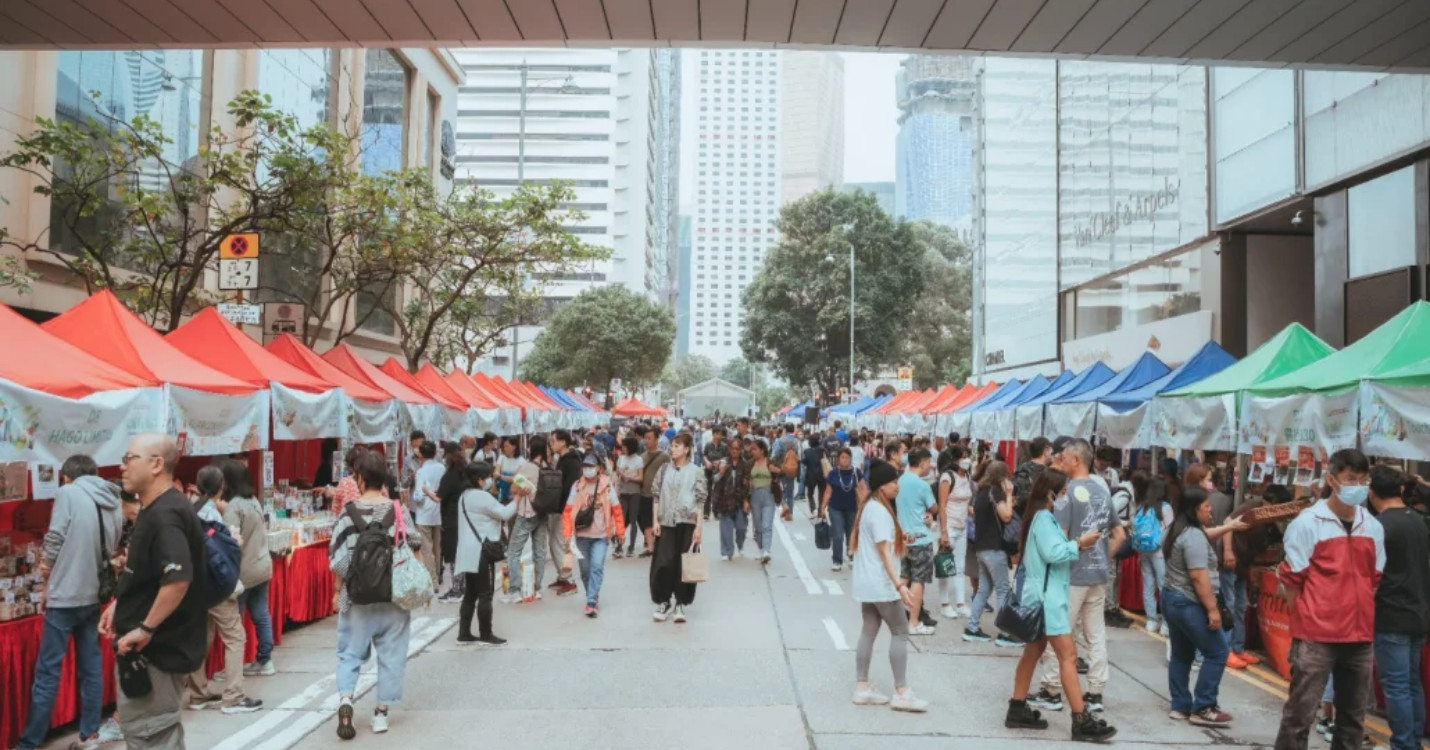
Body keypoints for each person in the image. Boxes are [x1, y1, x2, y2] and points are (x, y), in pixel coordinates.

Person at [99, 433, 209, 749]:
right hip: (150, 652)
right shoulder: (156, 508)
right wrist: (120, 603)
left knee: (152, 736)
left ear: (157, 464)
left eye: (129, 458)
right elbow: (151, 574)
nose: (122, 466)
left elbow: (177, 578)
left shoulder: (165, 514)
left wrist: (146, 628)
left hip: (157, 654)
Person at [1273, 449, 1384, 750]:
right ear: (1332, 480)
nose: (1358, 485)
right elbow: (1292, 581)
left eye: (1363, 480)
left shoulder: (1372, 527)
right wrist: (1307, 618)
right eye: (1351, 479)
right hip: (1315, 636)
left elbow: (1374, 579)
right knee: (1300, 716)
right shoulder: (1308, 523)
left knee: (1353, 719)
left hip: (1359, 637)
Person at [1004, 468, 1117, 742]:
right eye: (1063, 491)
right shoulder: (1044, 518)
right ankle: (1081, 720)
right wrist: (1079, 543)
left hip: (1041, 597)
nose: (1065, 496)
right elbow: (1054, 553)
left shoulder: (1041, 517)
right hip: (1048, 600)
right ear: (1052, 492)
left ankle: (1017, 708)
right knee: (1067, 656)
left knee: (1032, 653)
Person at [19, 455, 123, 750]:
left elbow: (54, 538)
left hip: (65, 595)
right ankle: (89, 734)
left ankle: (30, 742)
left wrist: (45, 574)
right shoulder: (112, 498)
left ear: (66, 477)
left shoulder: (68, 493)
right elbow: (112, 545)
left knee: (48, 671)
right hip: (93, 594)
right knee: (90, 668)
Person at [328, 450, 422, 739]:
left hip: (357, 598)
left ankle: (345, 700)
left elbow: (338, 559)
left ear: (359, 478)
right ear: (384, 479)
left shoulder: (348, 512)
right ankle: (380, 714)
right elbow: (415, 543)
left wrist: (337, 591)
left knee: (349, 654)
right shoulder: (398, 511)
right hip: (393, 596)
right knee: (392, 654)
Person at [1032, 439, 1126, 714]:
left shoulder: (1065, 494)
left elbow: (1060, 541)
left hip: (1069, 576)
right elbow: (1119, 534)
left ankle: (1051, 689)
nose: (1060, 460)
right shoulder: (1102, 492)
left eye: (1064, 457)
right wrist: (1102, 557)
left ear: (1076, 460)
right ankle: (1095, 693)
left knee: (1059, 633)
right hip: (1097, 575)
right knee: (1095, 635)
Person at [850, 460, 928, 713]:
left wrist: (900, 537)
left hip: (867, 583)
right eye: (894, 481)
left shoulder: (870, 508)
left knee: (869, 631)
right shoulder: (880, 512)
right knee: (900, 631)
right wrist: (899, 585)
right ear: (883, 486)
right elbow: (884, 552)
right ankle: (902, 691)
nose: (898, 486)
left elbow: (879, 545)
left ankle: (862, 687)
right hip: (881, 583)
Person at [183, 466, 262, 715]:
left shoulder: (191, 508)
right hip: (215, 584)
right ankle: (233, 696)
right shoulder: (214, 515)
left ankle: (198, 693)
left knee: (202, 637)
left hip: (195, 585)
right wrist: (234, 542)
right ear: (221, 487)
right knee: (235, 637)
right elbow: (219, 553)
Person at [1164, 486, 1242, 727]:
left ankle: (1180, 706)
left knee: (1181, 655)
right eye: (1206, 506)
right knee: (1218, 651)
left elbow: (1207, 533)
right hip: (1189, 602)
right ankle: (1204, 706)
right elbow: (1199, 576)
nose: (1211, 510)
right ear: (1194, 509)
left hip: (1172, 599)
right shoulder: (1193, 537)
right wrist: (1212, 609)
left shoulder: (1179, 530)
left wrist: (1229, 527)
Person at [1368, 464, 1430, 750]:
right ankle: (1412, 742)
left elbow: (1372, 575)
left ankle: (1404, 745)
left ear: (1371, 493)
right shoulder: (1417, 519)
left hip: (1392, 615)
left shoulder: (1380, 526)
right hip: (1418, 613)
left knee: (1396, 687)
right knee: (1411, 682)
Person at [218, 460, 276, 680]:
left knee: (235, 621)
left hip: (244, 570)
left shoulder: (234, 507)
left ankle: (233, 668)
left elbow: (230, 542)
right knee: (261, 613)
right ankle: (265, 659)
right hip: (262, 564)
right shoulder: (253, 501)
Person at [455, 461, 515, 644]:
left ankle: (464, 633)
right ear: (480, 479)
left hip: (468, 551)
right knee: (485, 594)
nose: (489, 480)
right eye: (487, 477)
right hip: (481, 551)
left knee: (471, 594)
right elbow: (504, 514)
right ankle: (486, 633)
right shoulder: (481, 496)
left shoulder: (464, 496)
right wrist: (518, 498)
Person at [650, 433, 706, 623]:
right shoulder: (664, 469)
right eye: (672, 446)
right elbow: (656, 496)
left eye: (676, 446)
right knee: (663, 563)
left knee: (685, 565)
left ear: (686, 449)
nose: (672, 449)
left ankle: (680, 603)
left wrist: (699, 528)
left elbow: (700, 501)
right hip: (666, 521)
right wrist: (655, 521)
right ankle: (663, 601)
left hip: (687, 522)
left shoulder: (696, 471)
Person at [562, 451, 623, 617]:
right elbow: (567, 512)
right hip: (581, 536)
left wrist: (620, 530)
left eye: (591, 466)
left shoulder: (607, 486)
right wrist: (567, 534)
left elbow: (617, 510)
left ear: (599, 468)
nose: (588, 469)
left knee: (596, 567)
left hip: (601, 536)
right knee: (585, 570)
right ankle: (593, 594)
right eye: (585, 466)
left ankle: (591, 601)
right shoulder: (576, 486)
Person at [963, 462, 1017, 646]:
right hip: (995, 548)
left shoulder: (980, 492)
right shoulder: (996, 492)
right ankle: (1005, 633)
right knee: (1003, 590)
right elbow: (1007, 516)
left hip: (981, 548)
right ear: (1002, 477)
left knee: (983, 590)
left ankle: (972, 627)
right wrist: (1009, 495)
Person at [895, 449, 938, 636]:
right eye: (929, 462)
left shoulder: (900, 481)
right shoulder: (922, 485)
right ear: (922, 463)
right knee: (918, 580)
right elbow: (934, 507)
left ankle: (891, 614)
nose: (930, 466)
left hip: (904, 537)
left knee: (904, 577)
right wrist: (930, 515)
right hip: (920, 538)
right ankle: (913, 622)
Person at [505, 437, 549, 603]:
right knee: (539, 552)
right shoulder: (547, 466)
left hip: (527, 513)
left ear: (531, 448)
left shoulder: (527, 467)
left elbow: (514, 488)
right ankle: (537, 589)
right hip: (542, 514)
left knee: (514, 551)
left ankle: (515, 590)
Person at [935, 446, 973, 619]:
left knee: (959, 566)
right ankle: (944, 604)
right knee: (945, 565)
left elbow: (967, 502)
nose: (967, 460)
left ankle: (960, 603)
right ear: (955, 459)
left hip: (963, 525)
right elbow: (942, 505)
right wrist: (943, 531)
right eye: (963, 457)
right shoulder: (947, 477)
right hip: (949, 525)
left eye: (968, 457)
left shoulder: (967, 476)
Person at [1132, 473, 1172, 634]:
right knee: (1163, 586)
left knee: (1148, 585)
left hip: (1143, 550)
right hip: (1159, 552)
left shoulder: (1143, 506)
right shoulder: (1165, 507)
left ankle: (1151, 620)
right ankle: (1166, 624)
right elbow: (1169, 530)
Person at [547, 430, 582, 596]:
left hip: (565, 509)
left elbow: (570, 487)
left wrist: (564, 507)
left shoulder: (572, 461)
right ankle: (563, 576)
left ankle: (569, 580)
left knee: (559, 543)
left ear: (563, 442)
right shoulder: (563, 459)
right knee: (556, 542)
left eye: (554, 441)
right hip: (559, 507)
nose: (551, 443)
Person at [436, 443, 469, 604]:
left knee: (453, 555)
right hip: (464, 516)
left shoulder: (449, 476)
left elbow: (439, 497)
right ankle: (462, 587)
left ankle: (456, 590)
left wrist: (427, 491)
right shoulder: (465, 472)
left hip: (451, 518)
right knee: (461, 553)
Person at [411, 441, 445, 590]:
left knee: (427, 549)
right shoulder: (442, 468)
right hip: (438, 513)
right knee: (437, 548)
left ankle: (433, 581)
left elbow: (418, 496)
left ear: (422, 456)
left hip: (424, 515)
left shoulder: (421, 472)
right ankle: (437, 575)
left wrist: (421, 493)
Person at [821, 448, 863, 572]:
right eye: (843, 457)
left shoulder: (856, 472)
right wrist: (823, 507)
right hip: (835, 508)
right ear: (838, 459)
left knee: (851, 534)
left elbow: (862, 490)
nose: (845, 460)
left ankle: (851, 557)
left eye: (847, 457)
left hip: (852, 508)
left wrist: (864, 506)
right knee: (838, 535)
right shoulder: (833, 473)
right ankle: (837, 560)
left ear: (851, 458)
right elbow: (828, 491)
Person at [711, 435, 749, 561]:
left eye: (738, 449)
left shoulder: (744, 464)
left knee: (741, 527)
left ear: (741, 450)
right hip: (724, 500)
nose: (735, 451)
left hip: (739, 500)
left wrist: (746, 500)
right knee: (726, 529)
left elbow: (748, 484)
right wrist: (721, 472)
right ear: (729, 449)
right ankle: (727, 551)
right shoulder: (723, 462)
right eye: (733, 448)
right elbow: (714, 479)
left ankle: (740, 544)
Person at [745, 438, 781, 564]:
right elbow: (745, 483)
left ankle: (766, 550)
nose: (752, 452)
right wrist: (746, 500)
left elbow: (781, 473)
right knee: (758, 527)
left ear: (762, 450)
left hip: (768, 495)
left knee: (767, 525)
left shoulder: (771, 462)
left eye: (755, 449)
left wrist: (777, 471)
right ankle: (761, 549)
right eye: (751, 449)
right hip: (754, 496)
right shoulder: (749, 464)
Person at [638, 429, 669, 558]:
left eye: (649, 438)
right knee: (646, 521)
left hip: (659, 494)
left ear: (656, 439)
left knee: (658, 520)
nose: (646, 441)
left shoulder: (664, 456)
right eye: (645, 438)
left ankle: (658, 544)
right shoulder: (642, 457)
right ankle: (650, 547)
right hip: (644, 493)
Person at [615, 436, 645, 559]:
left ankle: (631, 546)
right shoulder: (621, 459)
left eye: (625, 446)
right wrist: (616, 488)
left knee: (633, 520)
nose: (623, 448)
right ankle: (619, 545)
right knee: (620, 520)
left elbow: (640, 478)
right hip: (623, 492)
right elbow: (617, 475)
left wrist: (630, 478)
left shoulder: (638, 460)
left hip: (634, 492)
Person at [771, 424, 802, 516]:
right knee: (790, 492)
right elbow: (800, 456)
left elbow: (774, 456)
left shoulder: (780, 441)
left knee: (780, 491)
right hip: (793, 469)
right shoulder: (797, 441)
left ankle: (785, 506)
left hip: (782, 469)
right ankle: (790, 514)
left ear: (785, 429)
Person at [495, 436, 525, 504]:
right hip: (500, 489)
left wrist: (501, 476)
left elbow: (517, 479)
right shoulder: (502, 457)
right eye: (504, 446)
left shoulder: (521, 461)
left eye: (507, 446)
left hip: (513, 492)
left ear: (514, 447)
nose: (505, 448)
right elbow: (496, 473)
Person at [803, 435, 827, 511]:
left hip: (811, 475)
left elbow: (805, 462)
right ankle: (820, 511)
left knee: (810, 493)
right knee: (821, 494)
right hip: (822, 474)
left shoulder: (807, 452)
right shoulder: (822, 450)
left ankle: (812, 506)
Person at [401, 430, 426, 498]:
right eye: (415, 447)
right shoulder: (407, 460)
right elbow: (403, 484)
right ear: (411, 445)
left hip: (430, 502)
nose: (418, 449)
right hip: (415, 502)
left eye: (420, 447)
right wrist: (411, 478)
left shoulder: (431, 458)